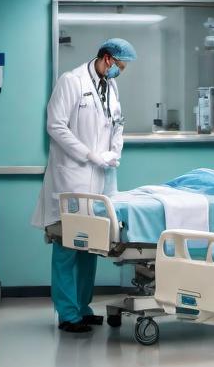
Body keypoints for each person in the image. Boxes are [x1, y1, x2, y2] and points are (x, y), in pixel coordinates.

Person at [31, 38, 136, 334]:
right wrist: (88, 154)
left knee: (91, 245)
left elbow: (118, 123)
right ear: (106, 58)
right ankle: (67, 313)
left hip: (100, 177)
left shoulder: (110, 85)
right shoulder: (71, 81)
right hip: (73, 176)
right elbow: (55, 126)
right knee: (68, 246)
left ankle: (83, 307)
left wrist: (114, 151)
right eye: (119, 66)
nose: (120, 73)